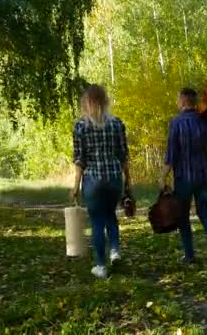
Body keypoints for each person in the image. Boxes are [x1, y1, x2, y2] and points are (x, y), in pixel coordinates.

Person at [71, 84, 131, 278]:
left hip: (93, 180)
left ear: (86, 103)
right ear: (105, 101)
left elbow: (80, 159)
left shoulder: (80, 126)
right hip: (114, 178)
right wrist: (128, 181)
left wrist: (75, 186)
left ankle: (100, 266)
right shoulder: (117, 123)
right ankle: (114, 251)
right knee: (111, 215)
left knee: (97, 222)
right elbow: (123, 156)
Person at [160, 88, 207, 264]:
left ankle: (189, 255)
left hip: (184, 178)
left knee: (183, 216)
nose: (177, 102)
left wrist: (162, 177)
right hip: (203, 176)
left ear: (183, 101)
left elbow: (171, 155)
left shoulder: (176, 123)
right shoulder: (204, 120)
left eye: (178, 99)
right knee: (204, 212)